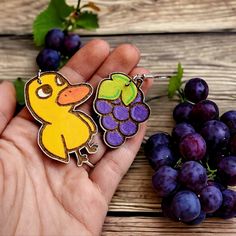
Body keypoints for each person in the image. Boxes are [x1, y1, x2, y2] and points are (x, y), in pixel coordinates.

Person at [0, 39, 152, 235]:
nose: (64, 93)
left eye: (59, 86)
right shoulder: (49, 132)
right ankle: (81, 153)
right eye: (49, 91)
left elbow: (86, 124)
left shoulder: (78, 116)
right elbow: (55, 145)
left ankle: (83, 150)